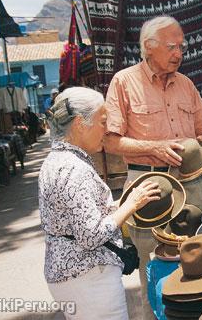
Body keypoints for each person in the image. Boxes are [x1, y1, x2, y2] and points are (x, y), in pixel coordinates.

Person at [103, 15, 202, 320]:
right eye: (172, 46)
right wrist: (156, 148)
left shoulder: (186, 84)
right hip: (149, 185)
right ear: (148, 47)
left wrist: (200, 152)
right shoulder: (124, 82)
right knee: (151, 264)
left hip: (192, 182)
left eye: (182, 46)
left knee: (201, 256)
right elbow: (111, 142)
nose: (179, 53)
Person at [39, 87, 161, 320]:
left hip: (74, 277)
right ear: (79, 124)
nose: (106, 131)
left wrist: (120, 203)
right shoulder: (72, 169)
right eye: (102, 122)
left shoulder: (57, 160)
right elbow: (91, 235)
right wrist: (130, 205)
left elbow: (77, 216)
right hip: (88, 279)